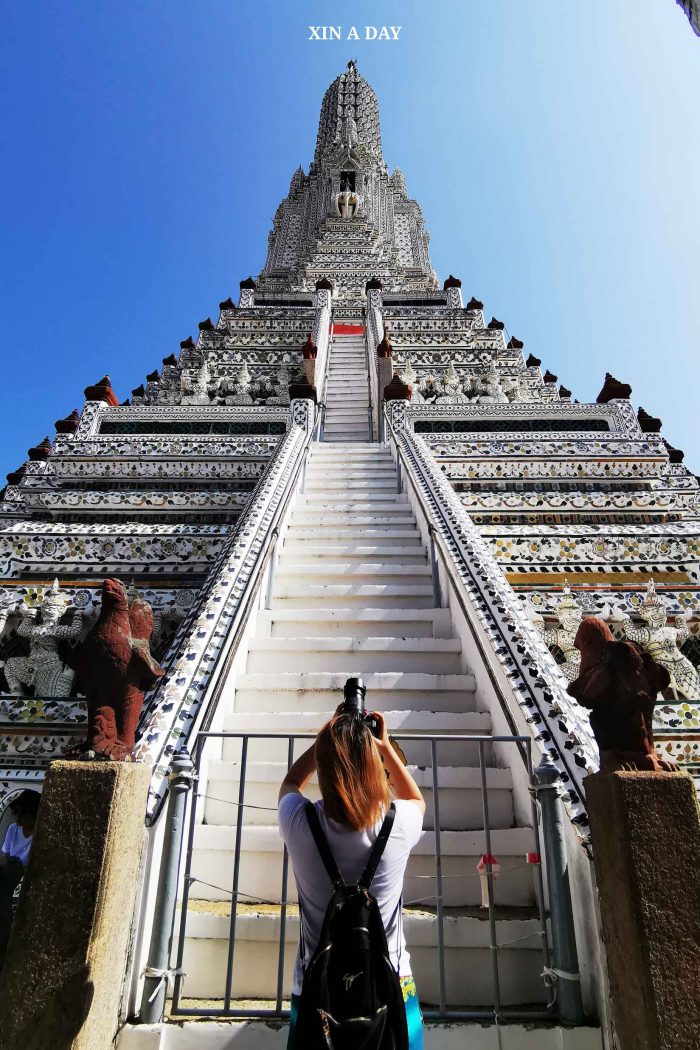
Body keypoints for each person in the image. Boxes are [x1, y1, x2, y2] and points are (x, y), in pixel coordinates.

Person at [278, 706, 426, 1049]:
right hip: (392, 985)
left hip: (316, 990)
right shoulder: (399, 823)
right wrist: (385, 747)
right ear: (376, 767)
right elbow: (416, 798)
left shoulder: (300, 823)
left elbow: (290, 783)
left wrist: (327, 740)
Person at [0, 789, 41, 968]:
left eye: (22, 815)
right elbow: (3, 856)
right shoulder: (12, 829)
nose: (17, 819)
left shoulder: (39, 834)